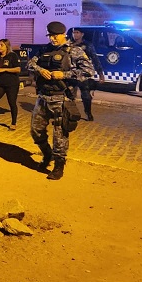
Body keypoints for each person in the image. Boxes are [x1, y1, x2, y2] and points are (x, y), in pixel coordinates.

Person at [27, 21, 95, 180]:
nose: (53, 39)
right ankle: (47, 154)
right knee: (35, 130)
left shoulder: (74, 51)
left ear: (64, 34)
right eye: (50, 35)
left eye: (55, 36)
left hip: (61, 97)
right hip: (43, 96)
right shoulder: (45, 49)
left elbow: (89, 71)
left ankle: (59, 165)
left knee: (60, 134)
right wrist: (40, 70)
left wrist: (63, 75)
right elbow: (30, 64)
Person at [69, 27, 105, 121]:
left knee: (86, 95)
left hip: (83, 74)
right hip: (71, 73)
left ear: (82, 34)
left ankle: (88, 113)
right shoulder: (69, 44)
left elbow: (95, 59)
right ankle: (71, 113)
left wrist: (100, 74)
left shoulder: (87, 45)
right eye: (74, 32)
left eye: (77, 32)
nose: (75, 34)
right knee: (70, 95)